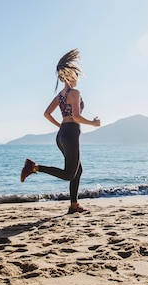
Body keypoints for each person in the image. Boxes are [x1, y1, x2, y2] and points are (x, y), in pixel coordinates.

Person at [20, 49, 101, 214]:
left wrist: (60, 126)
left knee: (78, 171)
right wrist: (93, 123)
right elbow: (77, 117)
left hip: (62, 134)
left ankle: (74, 206)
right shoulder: (75, 93)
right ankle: (34, 167)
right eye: (76, 75)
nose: (77, 79)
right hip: (70, 133)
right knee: (70, 174)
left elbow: (46, 114)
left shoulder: (61, 95)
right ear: (71, 75)